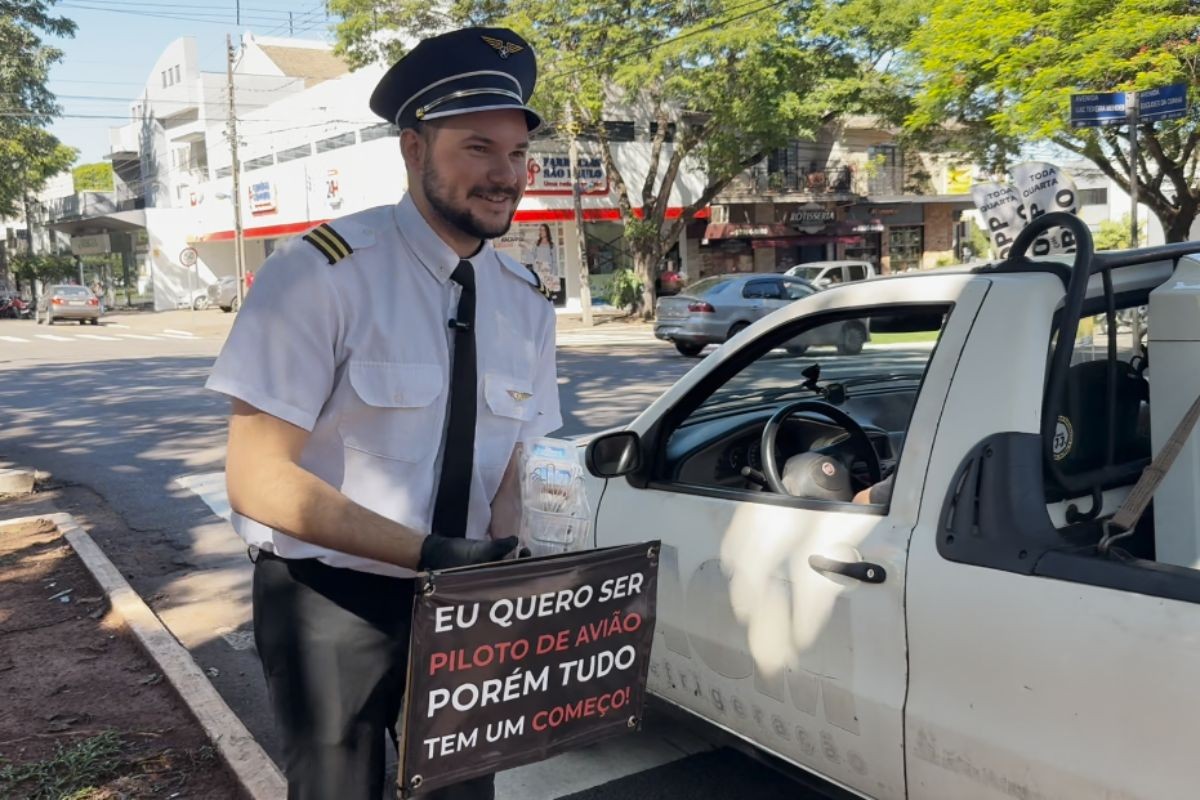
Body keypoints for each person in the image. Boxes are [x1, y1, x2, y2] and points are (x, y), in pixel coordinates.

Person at [205, 26, 560, 800]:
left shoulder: (527, 303)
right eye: (477, 149)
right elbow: (256, 476)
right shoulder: (321, 275)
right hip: (330, 602)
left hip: (464, 603)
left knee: (462, 791)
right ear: (412, 149)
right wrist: (427, 552)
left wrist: (501, 556)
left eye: (517, 155)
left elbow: (517, 458)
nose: (505, 176)